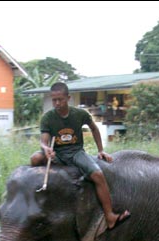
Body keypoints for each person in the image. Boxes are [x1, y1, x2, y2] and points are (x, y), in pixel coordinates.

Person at [30, 82, 130, 231]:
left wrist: (101, 150)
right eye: (54, 100)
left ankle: (110, 216)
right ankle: (36, 197)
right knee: (35, 159)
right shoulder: (48, 118)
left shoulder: (79, 114)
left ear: (68, 98)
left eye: (60, 99)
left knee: (98, 174)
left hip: (76, 152)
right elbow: (44, 142)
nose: (57, 103)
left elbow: (94, 129)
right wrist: (46, 149)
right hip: (57, 154)